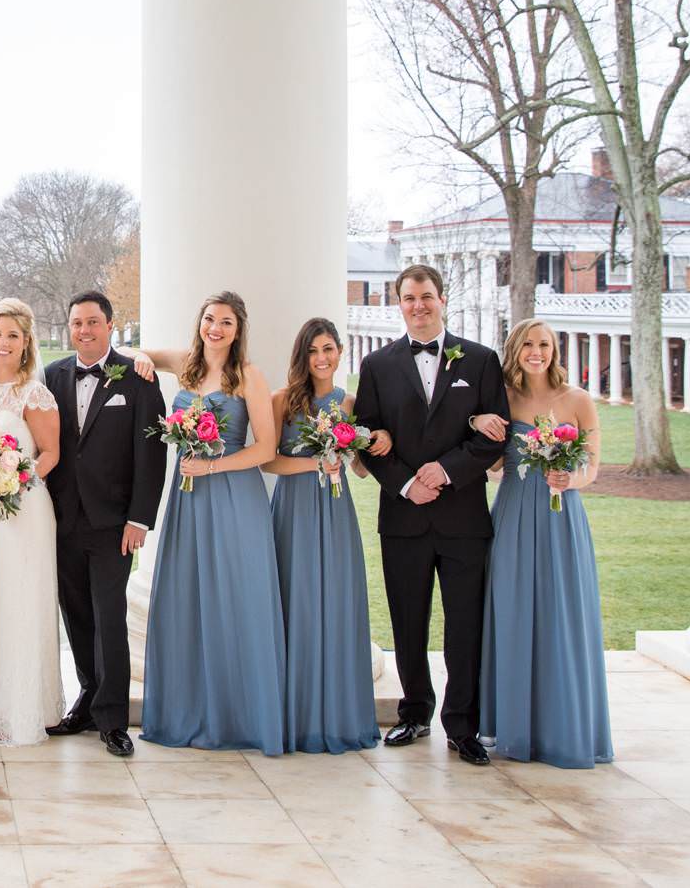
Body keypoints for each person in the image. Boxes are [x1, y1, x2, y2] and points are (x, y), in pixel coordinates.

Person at [352, 263, 509, 765]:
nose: (418, 306)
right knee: (408, 622)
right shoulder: (377, 366)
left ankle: (463, 726)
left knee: (464, 623)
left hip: (463, 517)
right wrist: (403, 484)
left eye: (426, 297)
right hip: (403, 518)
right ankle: (414, 712)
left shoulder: (481, 361)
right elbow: (368, 436)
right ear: (399, 304)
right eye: (408, 298)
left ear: (443, 300)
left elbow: (493, 435)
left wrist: (445, 471)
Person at [132, 291, 287, 755]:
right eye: (209, 319)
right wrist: (141, 354)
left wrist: (214, 466)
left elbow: (266, 449)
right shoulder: (186, 365)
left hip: (234, 496)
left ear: (238, 331)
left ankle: (238, 716)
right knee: (188, 596)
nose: (215, 328)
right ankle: (190, 710)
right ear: (199, 322)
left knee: (236, 597)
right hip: (188, 501)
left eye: (226, 322)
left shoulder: (248, 377)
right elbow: (145, 354)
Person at [474, 318, 612, 768]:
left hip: (560, 517)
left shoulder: (577, 400)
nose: (538, 351)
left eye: (545, 344)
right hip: (513, 514)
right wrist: (478, 421)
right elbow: (491, 463)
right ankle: (516, 727)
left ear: (554, 350)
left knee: (561, 615)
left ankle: (563, 727)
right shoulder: (504, 399)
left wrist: (571, 477)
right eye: (529, 344)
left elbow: (591, 466)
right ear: (515, 350)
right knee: (513, 613)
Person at [42, 290, 164, 757]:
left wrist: (139, 518)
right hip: (62, 519)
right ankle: (89, 699)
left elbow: (151, 454)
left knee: (110, 618)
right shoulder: (52, 376)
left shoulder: (136, 377)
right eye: (77, 323)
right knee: (77, 615)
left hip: (114, 523)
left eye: (93, 322)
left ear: (110, 326)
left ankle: (114, 718)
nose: (84, 330)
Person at [264, 317, 381, 754]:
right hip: (293, 507)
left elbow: (361, 469)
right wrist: (315, 463)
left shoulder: (350, 404)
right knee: (296, 601)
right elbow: (269, 461)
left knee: (335, 601)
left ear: (339, 352)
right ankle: (296, 716)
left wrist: (368, 445)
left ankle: (336, 713)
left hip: (334, 510)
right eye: (313, 350)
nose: (321, 358)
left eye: (328, 349)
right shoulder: (283, 400)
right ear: (302, 355)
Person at [0, 298, 63, 746]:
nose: (3, 343)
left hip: (25, 510)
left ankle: (27, 709)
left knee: (23, 599)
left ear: (26, 343)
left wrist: (14, 481)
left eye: (13, 336)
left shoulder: (34, 393)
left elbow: (51, 453)